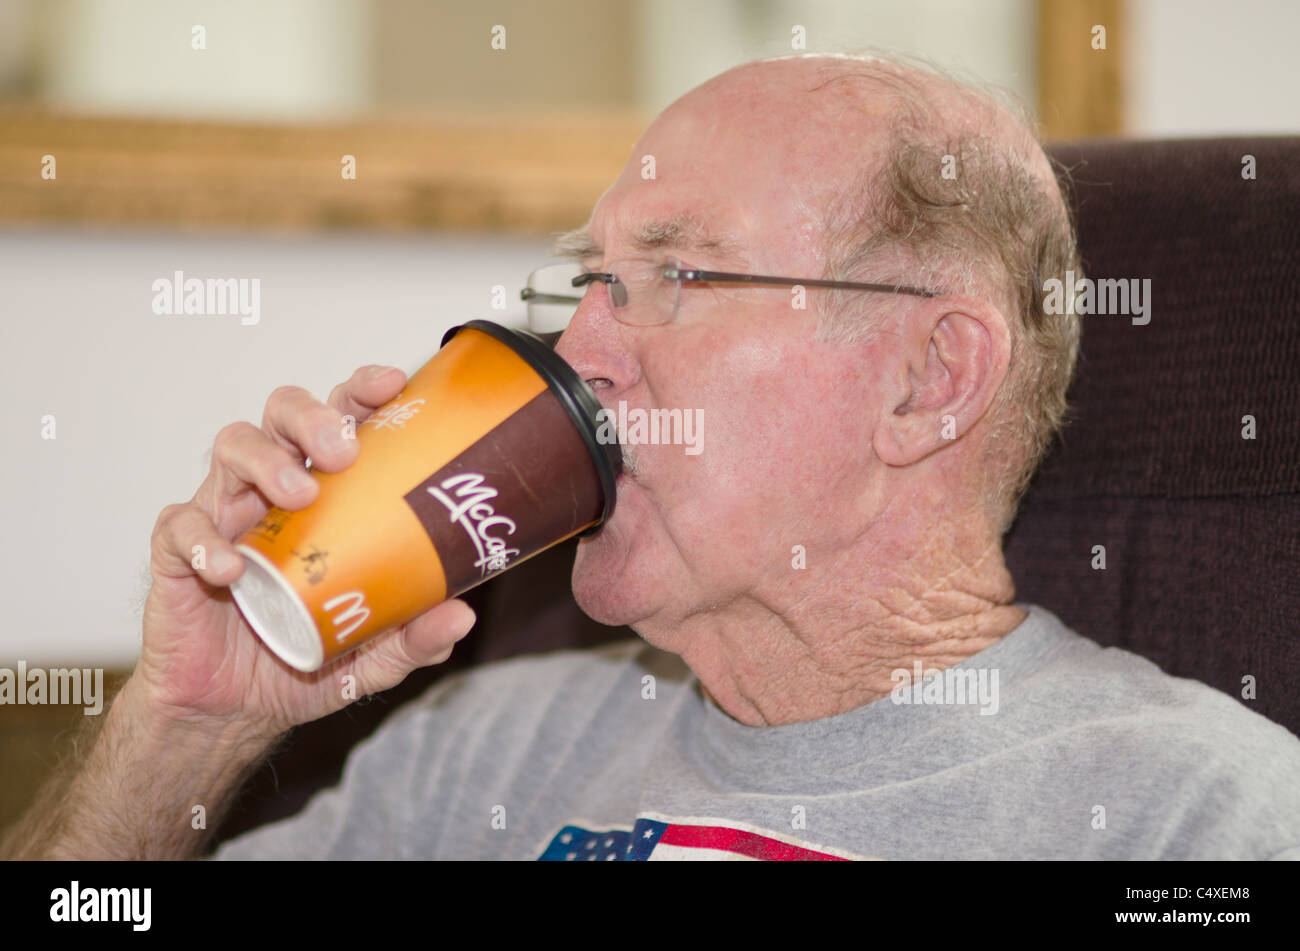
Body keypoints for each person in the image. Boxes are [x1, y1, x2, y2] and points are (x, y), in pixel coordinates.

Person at [5, 53, 1299, 862]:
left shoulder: (1194, 816)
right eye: (586, 282)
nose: (579, 347)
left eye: (673, 274)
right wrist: (189, 728)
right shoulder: (478, 750)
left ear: (929, 380)